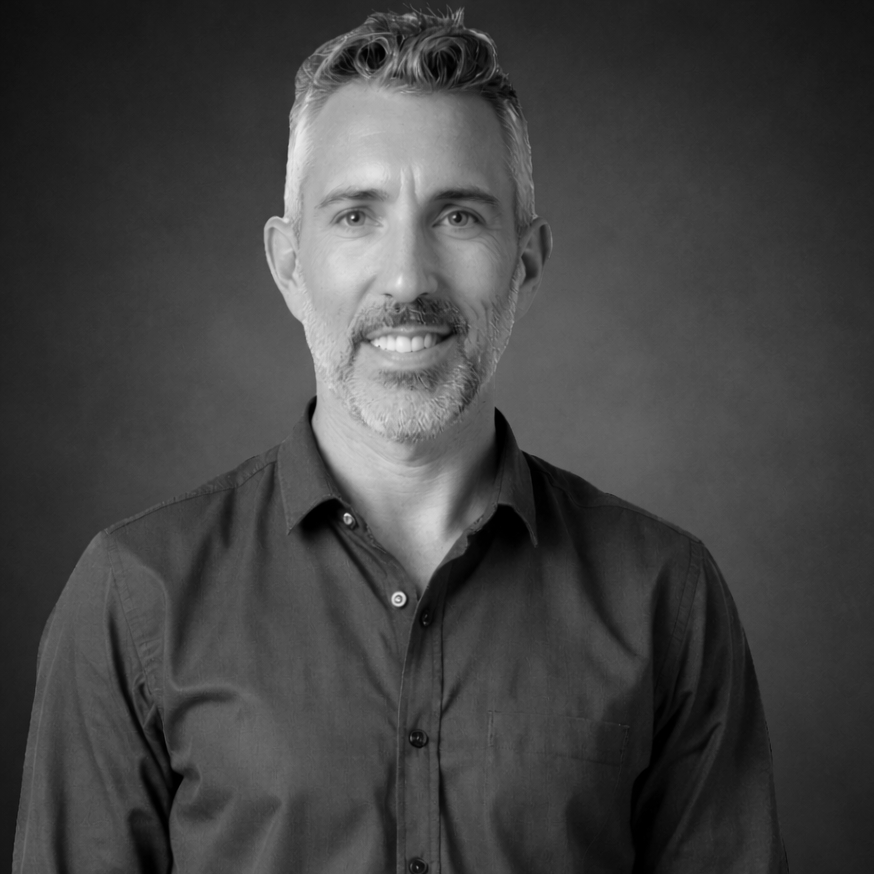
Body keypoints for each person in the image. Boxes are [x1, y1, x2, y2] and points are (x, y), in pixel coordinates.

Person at [14, 9, 788, 873]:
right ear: (288, 263)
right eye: (355, 215)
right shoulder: (134, 594)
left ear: (524, 263)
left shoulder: (666, 595)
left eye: (458, 216)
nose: (409, 278)